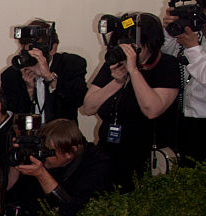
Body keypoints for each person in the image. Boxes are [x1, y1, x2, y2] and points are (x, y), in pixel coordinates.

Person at [81, 13, 181, 190]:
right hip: (107, 154)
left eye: (134, 45)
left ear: (150, 44)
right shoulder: (115, 64)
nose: (127, 50)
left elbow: (152, 110)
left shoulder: (166, 65)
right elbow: (88, 108)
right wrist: (117, 82)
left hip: (146, 158)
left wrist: (134, 71)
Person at [6, 118, 113, 216]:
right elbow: (13, 193)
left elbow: (71, 211)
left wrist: (41, 174)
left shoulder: (97, 164)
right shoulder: (43, 161)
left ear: (69, 153)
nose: (43, 156)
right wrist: (18, 160)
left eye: (48, 152)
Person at [0, 20, 88, 123]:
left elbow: (79, 100)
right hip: (27, 135)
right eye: (27, 51)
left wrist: (49, 77)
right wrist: (30, 90)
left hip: (61, 135)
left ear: (53, 48)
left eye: (35, 51)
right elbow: (11, 115)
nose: (31, 55)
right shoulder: (11, 75)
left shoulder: (70, 64)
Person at [162, 7, 206, 164]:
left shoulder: (194, 42)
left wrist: (193, 48)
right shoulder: (196, 35)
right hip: (184, 118)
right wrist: (170, 32)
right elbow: (165, 56)